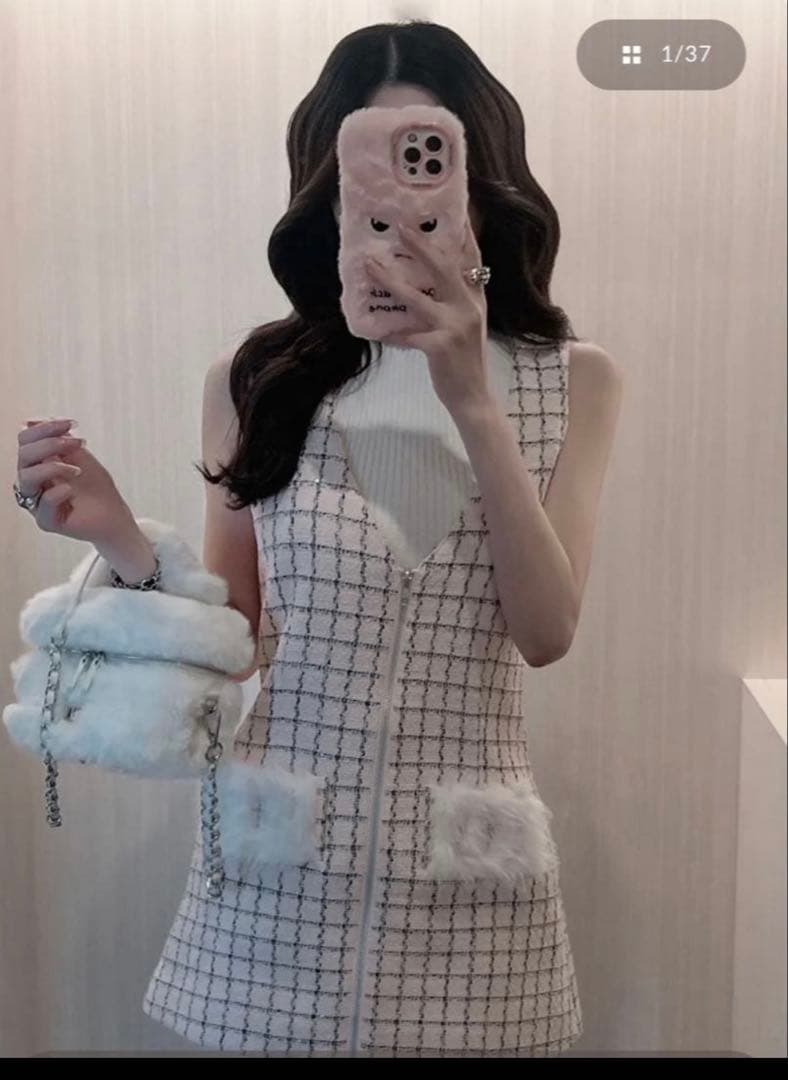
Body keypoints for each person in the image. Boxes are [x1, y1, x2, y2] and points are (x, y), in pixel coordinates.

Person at [13, 18, 623, 1058]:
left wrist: (471, 399)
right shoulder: (258, 380)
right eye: (365, 181)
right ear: (327, 194)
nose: (398, 215)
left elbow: (546, 632)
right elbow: (236, 640)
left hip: (468, 897)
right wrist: (115, 533)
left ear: (479, 182)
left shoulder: (570, 382)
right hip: (276, 885)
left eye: (425, 167)